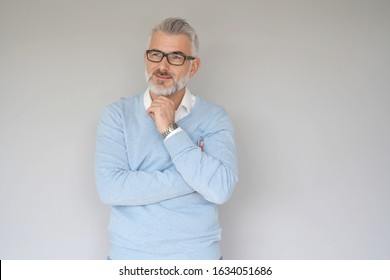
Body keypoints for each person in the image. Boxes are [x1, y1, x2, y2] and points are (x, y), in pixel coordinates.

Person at [95, 17, 238, 260]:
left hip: (198, 260)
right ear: (145, 58)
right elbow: (111, 189)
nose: (162, 66)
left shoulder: (215, 118)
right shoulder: (117, 115)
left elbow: (220, 189)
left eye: (175, 57)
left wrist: (170, 130)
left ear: (193, 67)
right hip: (129, 260)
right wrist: (197, 176)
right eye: (156, 54)